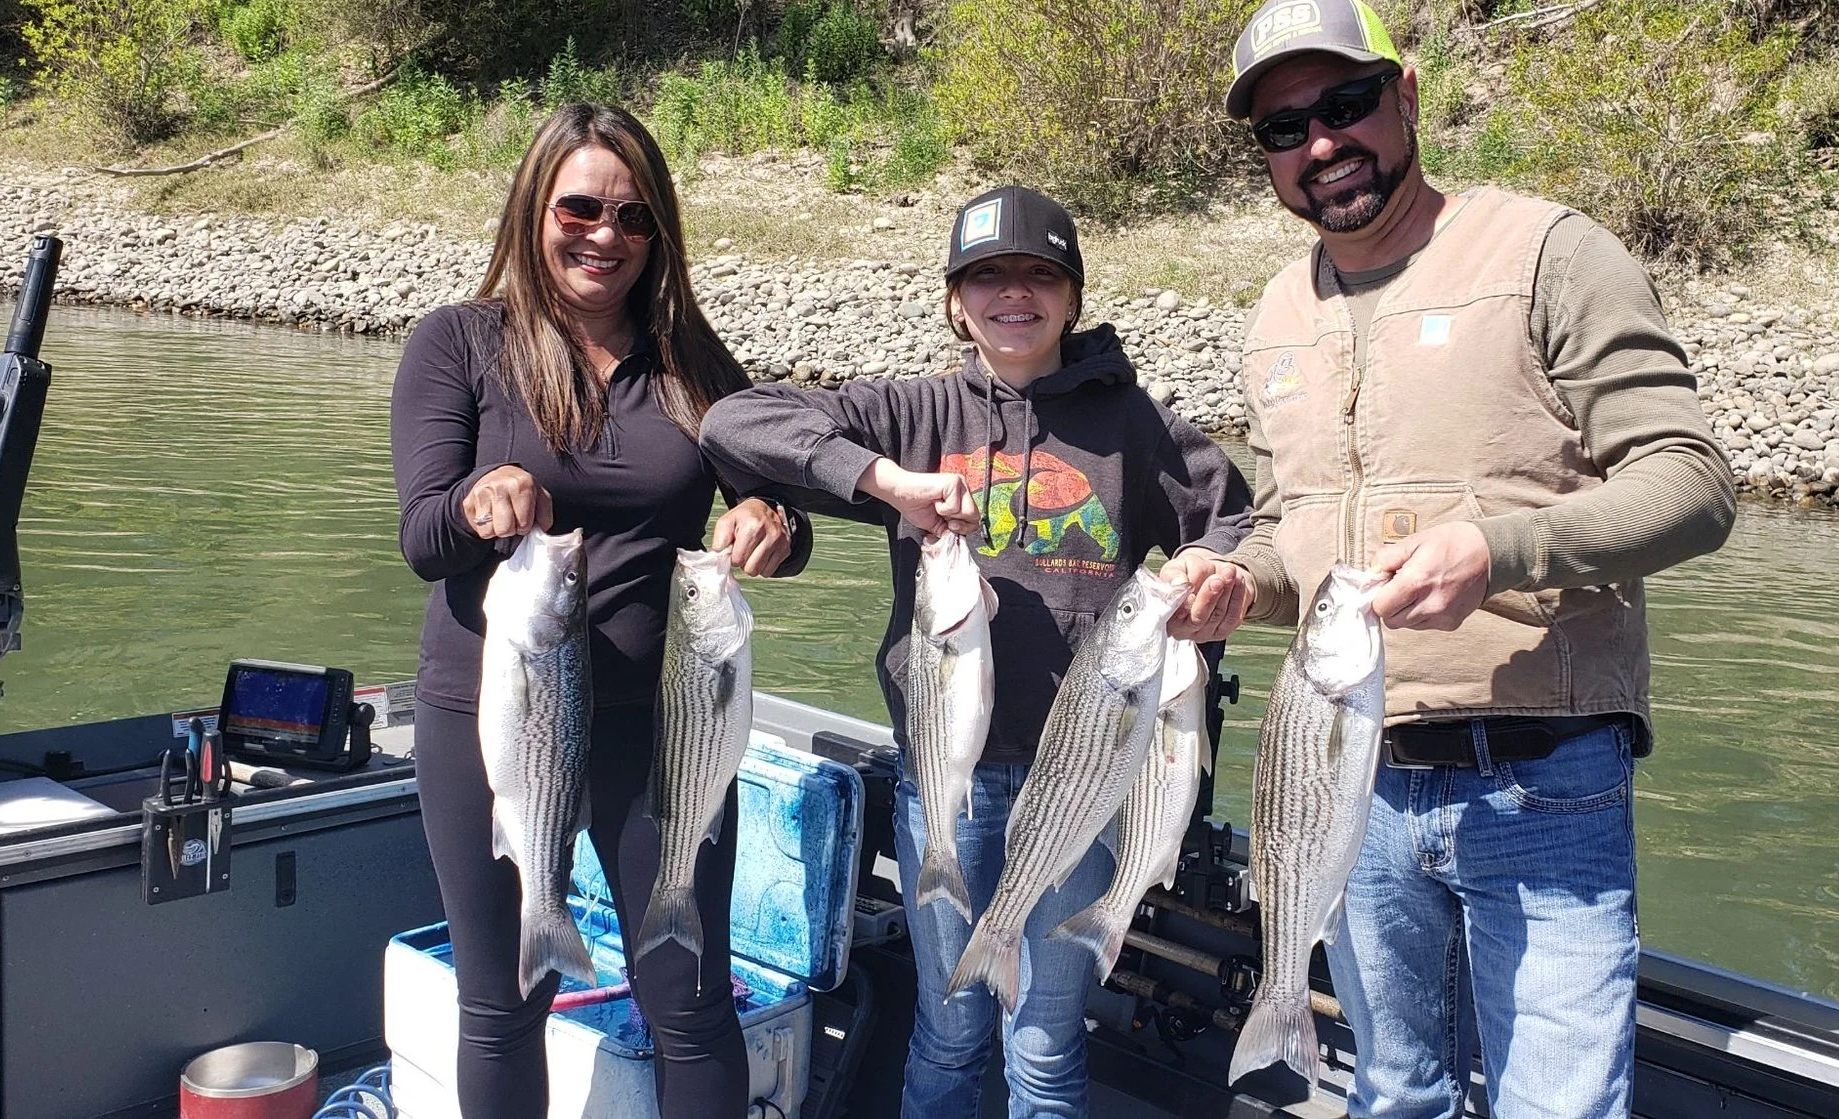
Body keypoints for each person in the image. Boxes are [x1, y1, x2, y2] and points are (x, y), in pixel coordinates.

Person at [1219, 0, 1738, 1119]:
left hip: (1542, 779)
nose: (1321, 145)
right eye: (1282, 128)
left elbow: (1694, 486)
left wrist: (1500, 553)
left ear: (1405, 96)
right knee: (1393, 1097)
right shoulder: (1273, 314)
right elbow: (1285, 533)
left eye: (1345, 103)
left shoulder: (1549, 251)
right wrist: (1231, 586)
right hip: (1344, 786)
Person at [699, 184, 1253, 1118]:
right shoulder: (911, 415)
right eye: (986, 276)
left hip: (1079, 775)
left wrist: (1209, 564)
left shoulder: (1133, 427)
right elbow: (732, 424)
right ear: (955, 300)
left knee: (1043, 1045)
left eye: (1041, 274)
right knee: (949, 1030)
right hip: (940, 782)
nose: (1014, 294)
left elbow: (1236, 515)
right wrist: (883, 480)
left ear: (1073, 297)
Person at [389, 102, 812, 1119]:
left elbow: (789, 519)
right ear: (534, 208)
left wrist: (769, 521)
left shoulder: (693, 363)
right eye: (580, 207)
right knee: (502, 1002)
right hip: (490, 711)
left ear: (658, 234)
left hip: (662, 726)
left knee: (690, 1000)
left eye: (634, 219)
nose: (605, 237)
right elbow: (421, 536)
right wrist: (473, 501)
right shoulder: (459, 343)